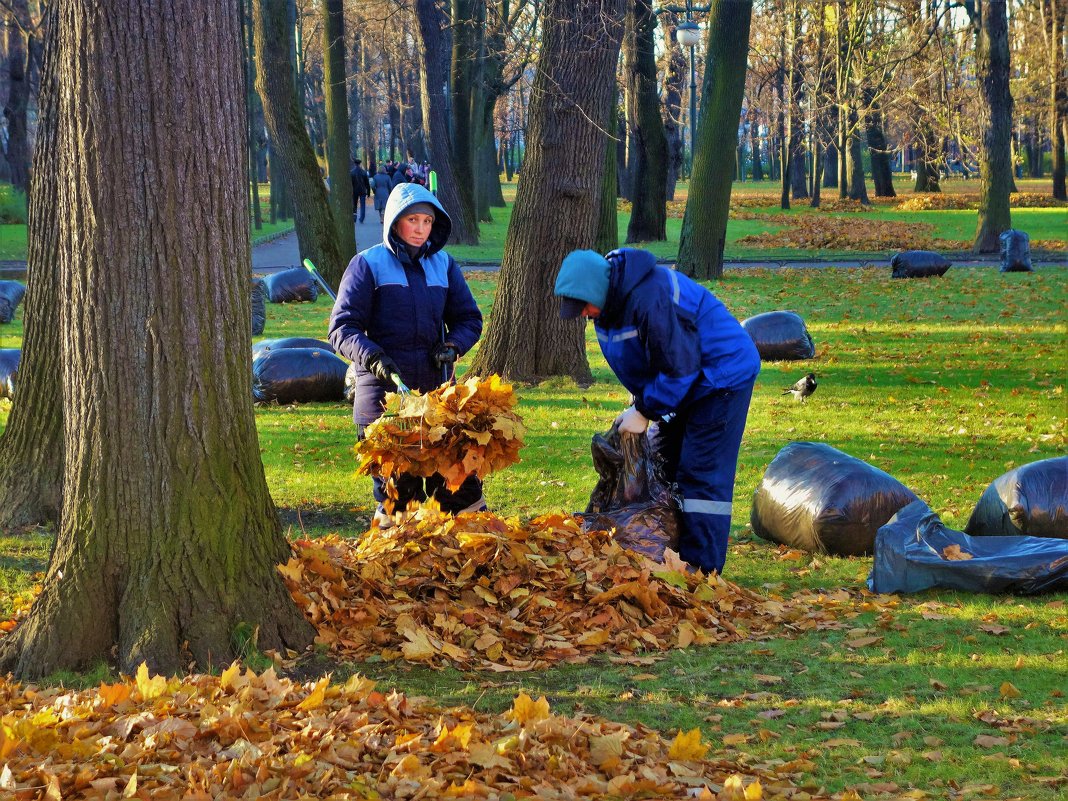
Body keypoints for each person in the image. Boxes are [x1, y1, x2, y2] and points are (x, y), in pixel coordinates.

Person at [554, 248, 760, 575]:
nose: (582, 314)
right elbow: (647, 360)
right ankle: (668, 552)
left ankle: (700, 569)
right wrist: (639, 404)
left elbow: (679, 366)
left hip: (722, 376)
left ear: (596, 292)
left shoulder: (651, 298)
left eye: (583, 306)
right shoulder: (609, 308)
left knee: (700, 473)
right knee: (662, 462)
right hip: (688, 383)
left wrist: (645, 409)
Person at [329, 183, 486, 528]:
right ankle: (391, 569)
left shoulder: (443, 264)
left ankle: (466, 563)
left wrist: (453, 345)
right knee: (400, 499)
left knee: (461, 486)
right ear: (394, 222)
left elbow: (469, 318)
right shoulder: (367, 265)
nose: (420, 228)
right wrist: (372, 357)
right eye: (412, 219)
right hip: (384, 404)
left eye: (427, 221)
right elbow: (341, 329)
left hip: (438, 401)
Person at [350, 157, 371, 223]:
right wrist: (368, 192)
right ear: (360, 164)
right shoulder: (364, 172)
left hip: (354, 191)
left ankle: (354, 217)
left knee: (354, 204)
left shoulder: (351, 172)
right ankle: (362, 218)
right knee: (363, 205)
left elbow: (350, 183)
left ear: (354, 164)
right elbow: (367, 183)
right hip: (362, 190)